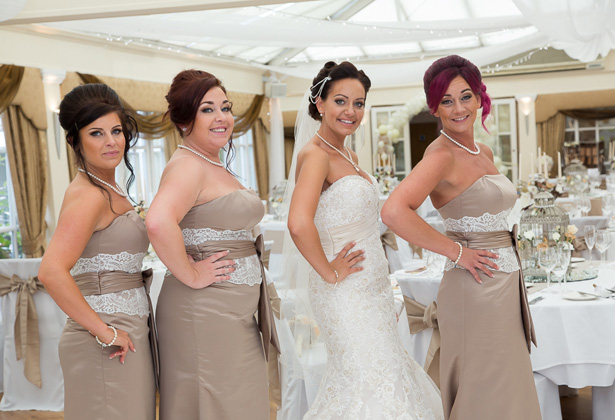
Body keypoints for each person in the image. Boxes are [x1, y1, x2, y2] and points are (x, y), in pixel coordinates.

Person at [381, 55, 541, 420]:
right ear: (434, 107)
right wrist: (457, 252)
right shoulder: (440, 155)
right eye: (446, 100)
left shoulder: (481, 151)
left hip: (502, 284)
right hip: (475, 287)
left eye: (465, 96)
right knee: (483, 386)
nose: (458, 108)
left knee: (506, 383)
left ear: (480, 97)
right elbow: (393, 211)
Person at [286, 61, 443, 420]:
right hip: (344, 293)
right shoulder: (315, 155)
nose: (351, 111)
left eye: (359, 103)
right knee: (367, 381)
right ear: (319, 103)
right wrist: (329, 273)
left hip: (372, 290)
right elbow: (297, 223)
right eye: (341, 101)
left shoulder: (349, 155)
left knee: (384, 376)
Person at [146, 69, 279, 420]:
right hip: (203, 315)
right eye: (208, 109)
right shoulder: (188, 165)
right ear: (184, 118)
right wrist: (190, 273)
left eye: (225, 107)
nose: (222, 117)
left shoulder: (211, 162)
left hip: (231, 315)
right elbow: (158, 222)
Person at [38, 83, 156, 420]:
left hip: (126, 330)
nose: (111, 142)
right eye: (97, 133)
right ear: (75, 141)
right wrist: (104, 332)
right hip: (104, 338)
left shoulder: (108, 186)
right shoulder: (88, 195)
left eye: (116, 131)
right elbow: (51, 271)